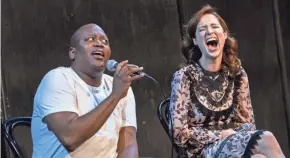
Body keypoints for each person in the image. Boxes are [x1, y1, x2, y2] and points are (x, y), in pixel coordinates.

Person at [169, 5, 285, 158]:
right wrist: (220, 135)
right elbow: (178, 133)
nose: (210, 31)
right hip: (202, 152)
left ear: (224, 35)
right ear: (195, 40)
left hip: (233, 145)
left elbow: (248, 125)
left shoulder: (237, 74)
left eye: (214, 27)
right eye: (203, 29)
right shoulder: (184, 76)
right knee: (266, 138)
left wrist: (233, 135)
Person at [31, 23, 144, 158]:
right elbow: (70, 138)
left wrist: (118, 92)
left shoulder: (121, 86)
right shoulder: (58, 79)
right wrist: (115, 95)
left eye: (105, 41)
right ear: (73, 53)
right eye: (90, 39)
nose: (99, 44)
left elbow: (128, 144)